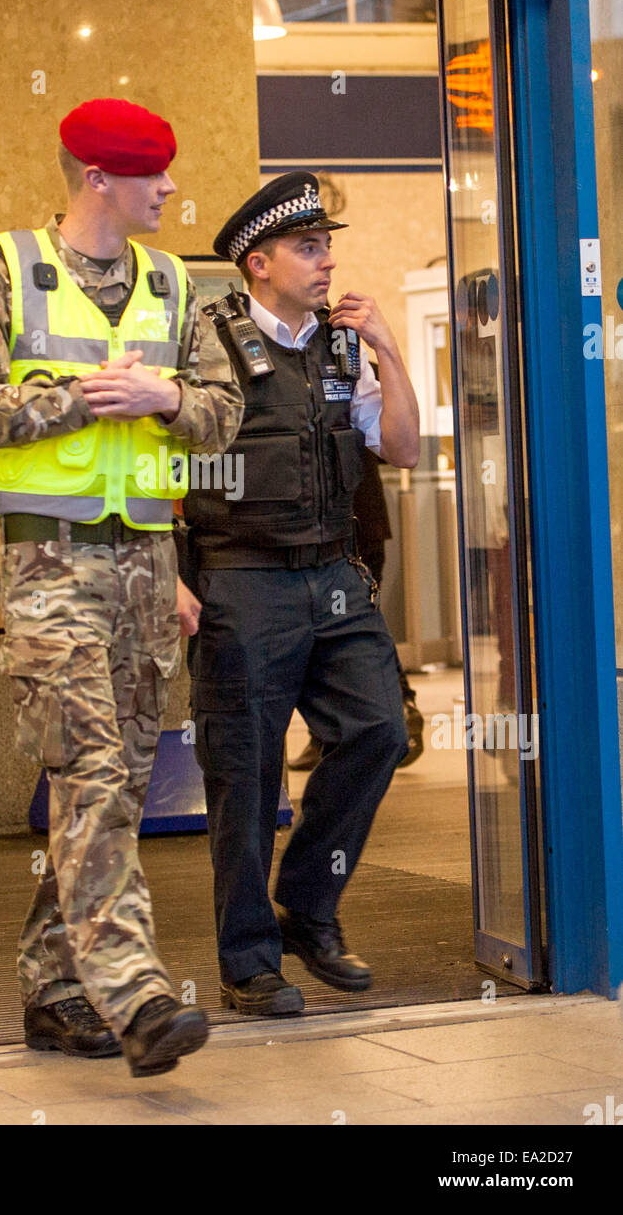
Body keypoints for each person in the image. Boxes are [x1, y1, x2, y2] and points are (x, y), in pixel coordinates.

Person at [0, 98, 243, 1076]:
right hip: (50, 568)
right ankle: (136, 996)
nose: (169, 188)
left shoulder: (170, 284)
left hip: (149, 573)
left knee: (104, 788)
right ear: (99, 180)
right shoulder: (8, 271)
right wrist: (74, 399)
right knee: (92, 776)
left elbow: (225, 413)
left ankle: (57, 989)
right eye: (153, 174)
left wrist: (167, 398)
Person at [181, 171, 420, 1017]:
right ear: (258, 263)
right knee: (243, 775)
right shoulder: (205, 343)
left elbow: (403, 449)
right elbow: (162, 465)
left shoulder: (343, 345)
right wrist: (174, 578)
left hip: (332, 575)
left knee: (379, 731)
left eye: (326, 248)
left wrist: (390, 350)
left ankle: (308, 908)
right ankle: (249, 962)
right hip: (239, 578)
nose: (324, 264)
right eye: (307, 248)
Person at [290, 420, 425, 772]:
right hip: (343, 526)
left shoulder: (352, 374)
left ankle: (397, 708)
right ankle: (331, 733)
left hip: (352, 528)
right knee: (345, 626)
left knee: (351, 626)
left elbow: (396, 448)